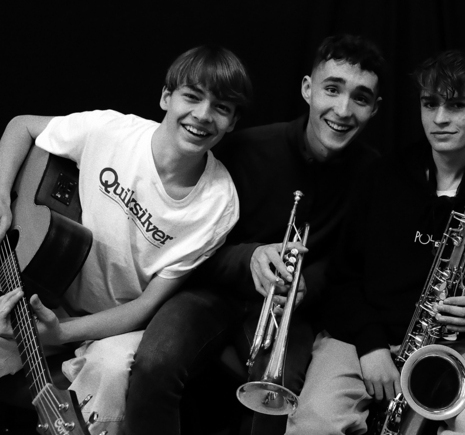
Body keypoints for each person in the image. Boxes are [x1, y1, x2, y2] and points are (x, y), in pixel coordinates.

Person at [0, 45, 252, 435]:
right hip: (44, 297)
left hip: (117, 326)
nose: (203, 115)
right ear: (166, 97)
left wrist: (61, 334)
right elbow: (22, 126)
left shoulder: (218, 205)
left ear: (232, 122)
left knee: (109, 371)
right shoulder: (110, 131)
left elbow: (145, 306)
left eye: (221, 108)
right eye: (192, 96)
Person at [123, 34, 386, 435]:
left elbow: (349, 264)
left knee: (277, 393)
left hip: (291, 311)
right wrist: (251, 258)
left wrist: (305, 285)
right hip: (214, 292)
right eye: (332, 89)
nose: (343, 110)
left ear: (375, 109)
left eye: (361, 98)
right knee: (155, 362)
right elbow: (191, 240)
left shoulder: (373, 175)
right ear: (307, 89)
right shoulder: (245, 147)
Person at [287, 49, 465, 435]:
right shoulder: (379, 175)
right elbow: (341, 279)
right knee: (314, 425)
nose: (440, 119)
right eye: (430, 104)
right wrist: (371, 346)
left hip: (452, 347)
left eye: (457, 105)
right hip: (359, 339)